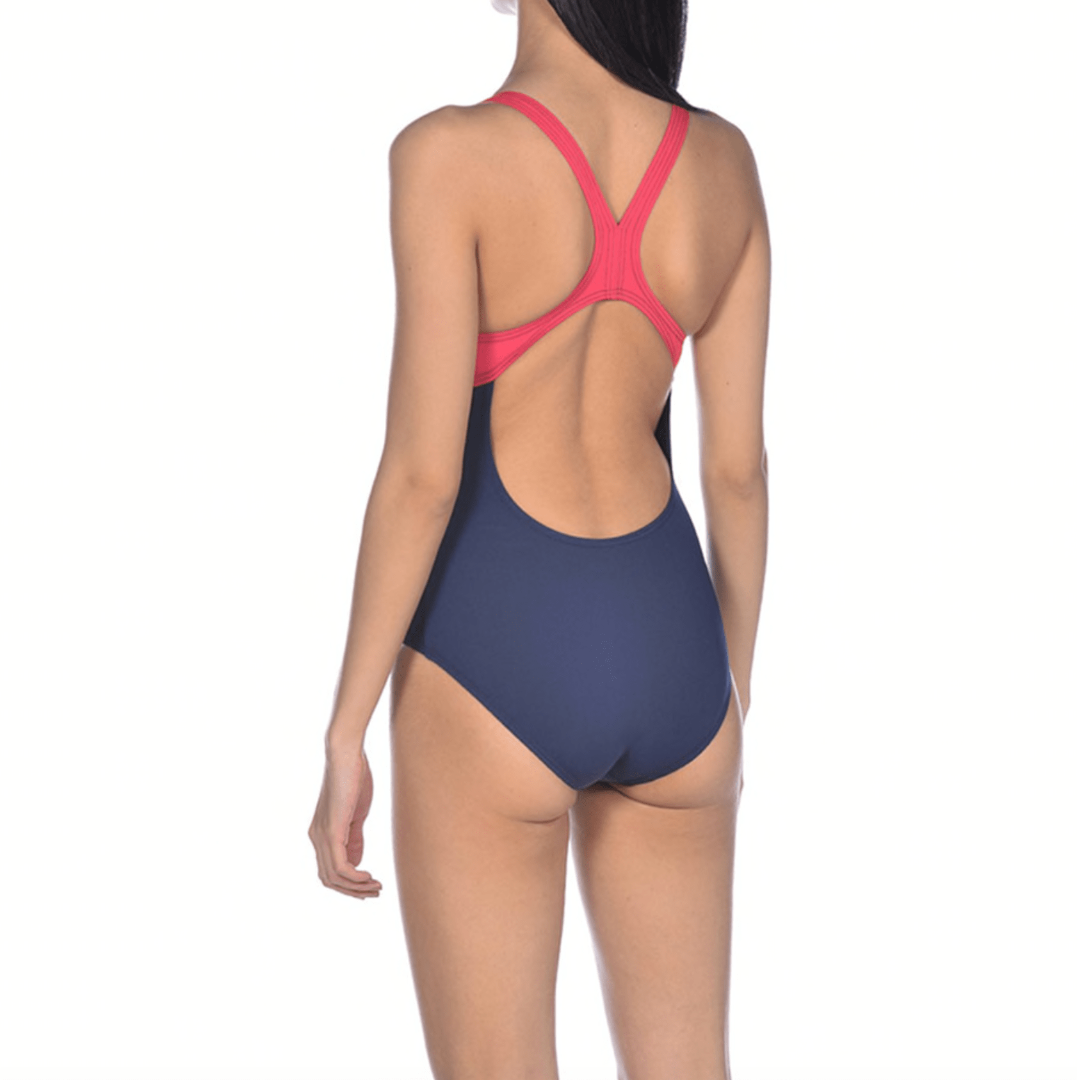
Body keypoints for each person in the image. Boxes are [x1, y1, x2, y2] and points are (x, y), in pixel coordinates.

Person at [308, 0, 769, 1075]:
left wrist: (345, 730)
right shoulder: (725, 163)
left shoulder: (447, 154)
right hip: (674, 648)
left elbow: (421, 479)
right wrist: (730, 693)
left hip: (496, 643)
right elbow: (737, 474)